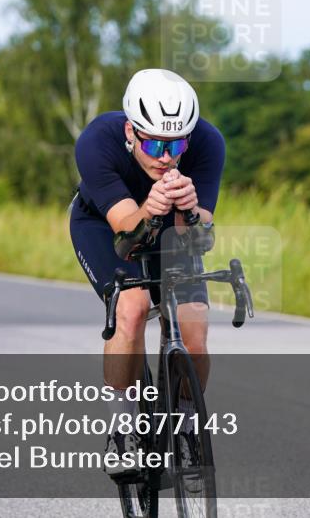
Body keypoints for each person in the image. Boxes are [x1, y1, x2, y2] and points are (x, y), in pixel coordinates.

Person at [70, 68, 225, 476]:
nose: (166, 156)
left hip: (170, 230)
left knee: (194, 330)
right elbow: (127, 237)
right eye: (154, 142)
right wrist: (151, 206)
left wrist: (190, 211)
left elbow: (196, 239)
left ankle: (189, 423)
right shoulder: (97, 143)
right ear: (130, 131)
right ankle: (122, 431)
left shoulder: (207, 143)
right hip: (107, 227)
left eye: (176, 144)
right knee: (133, 308)